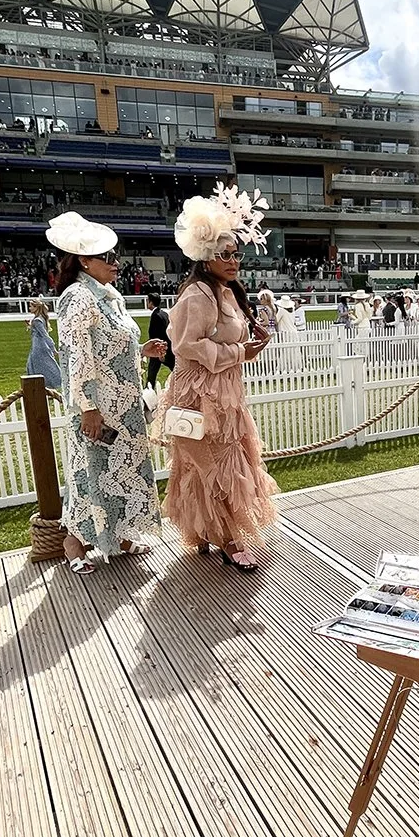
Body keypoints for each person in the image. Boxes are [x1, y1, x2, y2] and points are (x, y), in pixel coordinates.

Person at [162, 188, 276, 571]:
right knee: (210, 462)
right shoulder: (197, 295)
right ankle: (227, 538)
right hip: (199, 394)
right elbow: (186, 344)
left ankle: (211, 532)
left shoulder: (223, 292)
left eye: (235, 253)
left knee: (225, 458)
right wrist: (239, 352)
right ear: (206, 256)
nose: (233, 260)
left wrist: (247, 342)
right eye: (224, 254)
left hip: (223, 391)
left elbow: (226, 337)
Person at [47, 212, 165, 575]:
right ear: (85, 261)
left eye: (117, 257)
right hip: (100, 407)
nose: (117, 264)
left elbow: (107, 345)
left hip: (124, 405)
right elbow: (77, 356)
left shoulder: (107, 296)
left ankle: (120, 536)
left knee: (124, 471)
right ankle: (75, 543)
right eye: (108, 258)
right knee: (93, 473)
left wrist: (141, 350)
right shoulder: (78, 297)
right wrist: (87, 408)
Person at [25, 297, 61, 390]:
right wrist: (30, 326)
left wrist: (53, 349)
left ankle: (47, 385)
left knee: (38, 366)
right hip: (40, 346)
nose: (30, 309)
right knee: (44, 365)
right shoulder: (40, 319)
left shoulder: (37, 320)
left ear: (36, 307)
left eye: (31, 307)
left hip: (39, 347)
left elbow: (45, 335)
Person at [145, 291, 175, 386]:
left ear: (151, 302)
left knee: (151, 375)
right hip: (166, 348)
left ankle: (148, 392)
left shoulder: (156, 316)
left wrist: (159, 351)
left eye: (148, 301)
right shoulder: (164, 314)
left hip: (158, 349)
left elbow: (156, 335)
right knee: (174, 368)